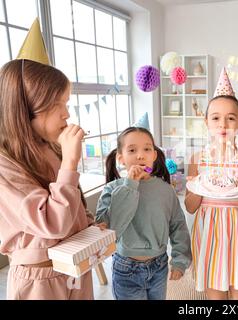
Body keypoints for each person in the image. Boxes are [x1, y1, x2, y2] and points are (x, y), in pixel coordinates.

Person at [0, 19, 94, 299]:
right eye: (58, 104)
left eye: (67, 103)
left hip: (75, 268)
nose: (66, 114)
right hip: (39, 279)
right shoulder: (5, 166)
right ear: (26, 108)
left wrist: (88, 225)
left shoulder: (50, 147)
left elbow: (71, 203)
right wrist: (70, 163)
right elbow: (52, 223)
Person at [185, 68, 238, 300]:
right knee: (215, 295)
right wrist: (198, 184)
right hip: (208, 233)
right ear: (206, 122)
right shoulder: (197, 159)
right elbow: (190, 206)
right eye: (216, 118)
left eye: (231, 118)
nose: (223, 124)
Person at [96, 126, 191, 300]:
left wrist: (180, 260)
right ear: (120, 158)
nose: (140, 155)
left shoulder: (165, 190)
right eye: (132, 150)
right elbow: (112, 228)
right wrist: (130, 184)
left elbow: (178, 226)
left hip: (159, 266)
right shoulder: (111, 189)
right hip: (125, 269)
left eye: (147, 149)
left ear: (154, 155)